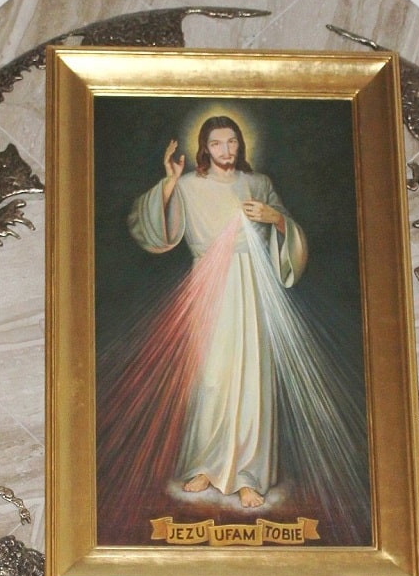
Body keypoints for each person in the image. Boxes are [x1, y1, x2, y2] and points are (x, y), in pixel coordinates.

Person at [127, 115, 307, 508]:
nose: (225, 150)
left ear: (240, 143)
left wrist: (275, 218)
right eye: (216, 143)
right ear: (204, 149)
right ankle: (205, 465)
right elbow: (152, 230)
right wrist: (170, 181)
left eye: (231, 142)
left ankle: (248, 474)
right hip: (209, 284)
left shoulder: (258, 183)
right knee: (211, 376)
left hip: (253, 286)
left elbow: (289, 232)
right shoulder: (189, 185)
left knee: (252, 377)